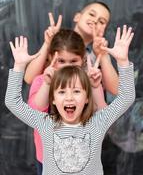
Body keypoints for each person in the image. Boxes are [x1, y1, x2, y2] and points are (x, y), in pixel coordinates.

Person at [5, 25, 135, 175]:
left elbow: (127, 97)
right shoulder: (45, 123)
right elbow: (12, 102)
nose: (69, 97)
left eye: (76, 91)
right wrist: (19, 65)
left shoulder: (98, 122)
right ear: (52, 99)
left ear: (87, 98)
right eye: (61, 92)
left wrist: (123, 61)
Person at [28, 28, 106, 174]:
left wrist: (94, 87)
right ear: (51, 58)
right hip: (48, 156)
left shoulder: (90, 81)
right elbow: (34, 112)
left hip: (83, 157)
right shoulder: (42, 80)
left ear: (83, 59)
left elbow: (103, 113)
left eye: (73, 61)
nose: (67, 66)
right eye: (61, 61)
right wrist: (46, 84)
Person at [24, 2, 119, 95]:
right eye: (92, 14)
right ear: (77, 17)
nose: (95, 21)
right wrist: (48, 43)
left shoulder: (99, 53)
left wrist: (102, 54)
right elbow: (29, 78)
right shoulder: (58, 42)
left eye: (101, 22)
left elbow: (116, 90)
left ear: (104, 30)